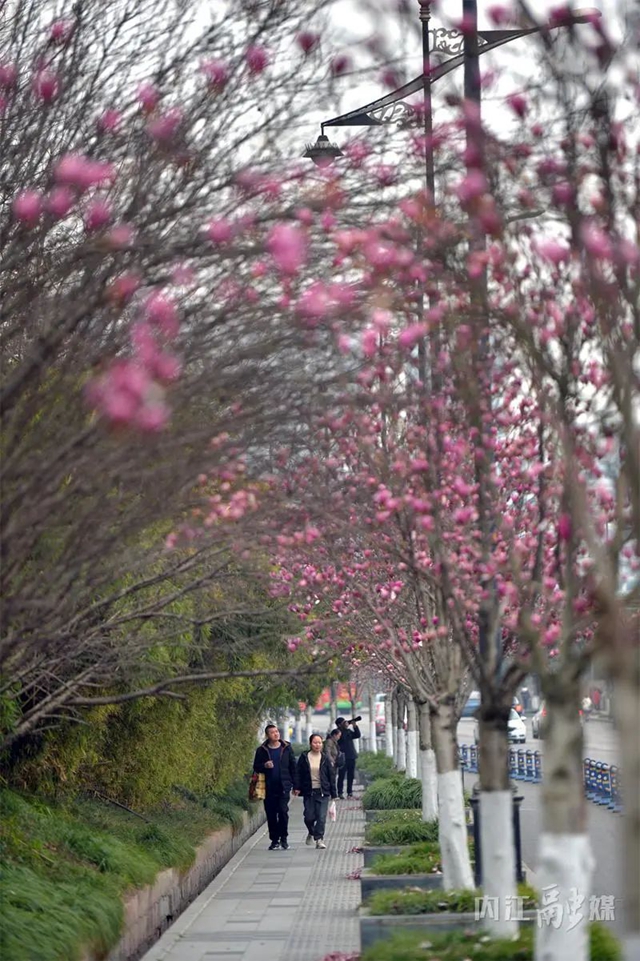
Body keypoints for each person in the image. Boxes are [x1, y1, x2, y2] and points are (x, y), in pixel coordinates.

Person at [253, 723, 298, 850]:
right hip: (268, 787)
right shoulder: (262, 750)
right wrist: (264, 766)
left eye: (277, 731)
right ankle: (274, 840)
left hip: (284, 786)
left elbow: (293, 767)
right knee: (271, 814)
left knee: (283, 812)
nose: (276, 733)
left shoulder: (287, 747)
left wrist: (296, 785)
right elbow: (256, 767)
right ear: (267, 735)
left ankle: (284, 838)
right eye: (273, 732)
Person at [297, 734, 337, 849]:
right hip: (309, 792)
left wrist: (334, 794)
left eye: (319, 742)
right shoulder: (304, 757)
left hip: (323, 792)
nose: (317, 745)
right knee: (309, 817)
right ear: (310, 744)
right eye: (315, 742)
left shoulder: (325, 758)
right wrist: (297, 787)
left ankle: (319, 839)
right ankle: (312, 831)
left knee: (321, 817)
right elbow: (298, 773)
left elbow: (331, 776)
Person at [335, 716, 361, 799]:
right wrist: (345, 727)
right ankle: (340, 792)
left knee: (351, 775)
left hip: (351, 756)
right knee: (341, 775)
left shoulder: (348, 731)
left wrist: (354, 726)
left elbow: (357, 735)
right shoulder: (337, 733)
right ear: (339, 725)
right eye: (343, 722)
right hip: (342, 757)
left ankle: (350, 792)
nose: (346, 723)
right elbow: (342, 738)